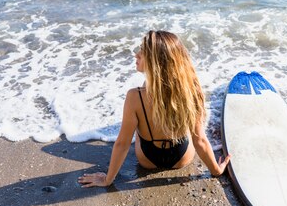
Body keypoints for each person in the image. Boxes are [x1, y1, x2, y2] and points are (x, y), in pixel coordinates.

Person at [78, 30, 230, 188]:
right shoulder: (191, 91)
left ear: (155, 63)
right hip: (181, 158)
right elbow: (199, 140)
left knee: (138, 121)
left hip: (147, 160)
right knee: (181, 121)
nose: (136, 55)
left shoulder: (134, 96)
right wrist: (216, 170)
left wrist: (107, 179)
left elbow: (122, 144)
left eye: (142, 53)